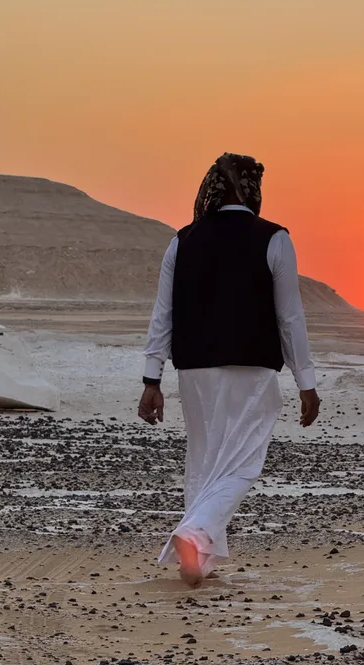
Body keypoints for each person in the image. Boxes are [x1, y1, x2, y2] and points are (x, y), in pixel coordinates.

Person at [138, 153, 320, 587]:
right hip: (252, 368)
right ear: (251, 189)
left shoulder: (182, 240)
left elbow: (162, 314)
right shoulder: (274, 238)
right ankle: (194, 534)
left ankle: (198, 557)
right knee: (242, 463)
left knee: (203, 460)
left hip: (195, 369)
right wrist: (306, 382)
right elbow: (289, 318)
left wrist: (151, 379)